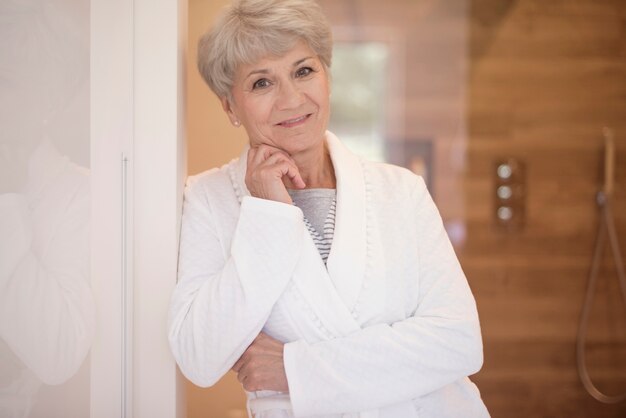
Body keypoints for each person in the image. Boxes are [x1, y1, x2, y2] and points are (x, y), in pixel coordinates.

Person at [168, 0, 489, 416]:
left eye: (304, 71)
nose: (291, 98)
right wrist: (268, 217)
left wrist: (295, 369)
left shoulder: (401, 191)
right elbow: (199, 356)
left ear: (327, 77)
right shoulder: (208, 199)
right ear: (230, 106)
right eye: (262, 83)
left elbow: (459, 343)